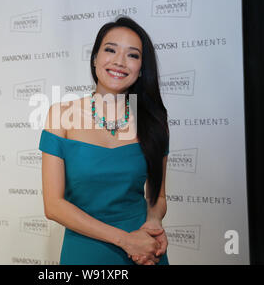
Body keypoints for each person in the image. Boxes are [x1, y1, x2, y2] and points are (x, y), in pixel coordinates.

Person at [39, 16, 170, 265]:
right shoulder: (61, 115)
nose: (119, 61)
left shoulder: (155, 122)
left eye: (132, 55)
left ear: (141, 69)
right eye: (110, 50)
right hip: (86, 251)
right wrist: (125, 240)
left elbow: (158, 197)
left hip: (144, 252)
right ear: (95, 58)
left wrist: (152, 224)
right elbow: (53, 205)